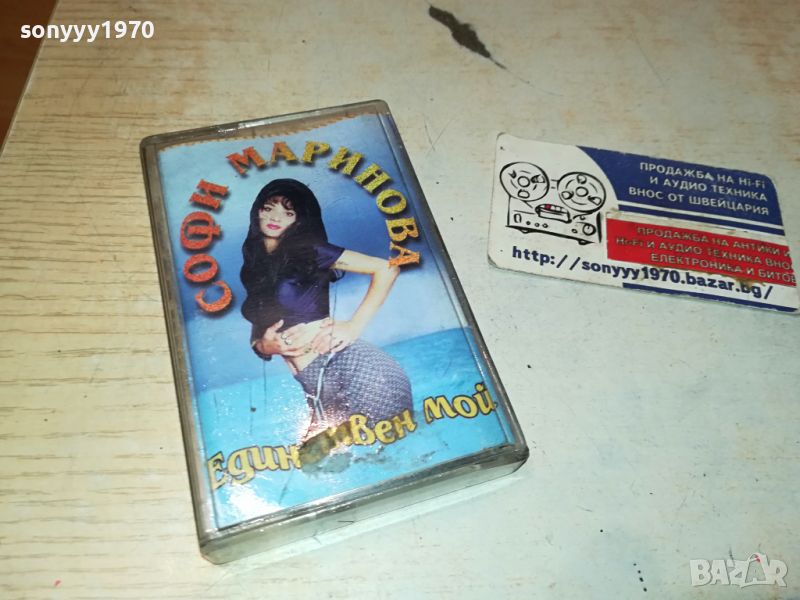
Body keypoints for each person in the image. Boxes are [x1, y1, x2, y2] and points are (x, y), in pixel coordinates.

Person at [240, 179, 412, 438]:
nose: (276, 217)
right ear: (257, 212)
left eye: (288, 212)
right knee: (320, 459)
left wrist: (353, 326)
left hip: (357, 371)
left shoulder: (309, 250)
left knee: (391, 450)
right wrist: (263, 346)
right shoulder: (255, 263)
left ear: (299, 220)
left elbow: (387, 268)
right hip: (316, 384)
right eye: (268, 208)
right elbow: (262, 325)